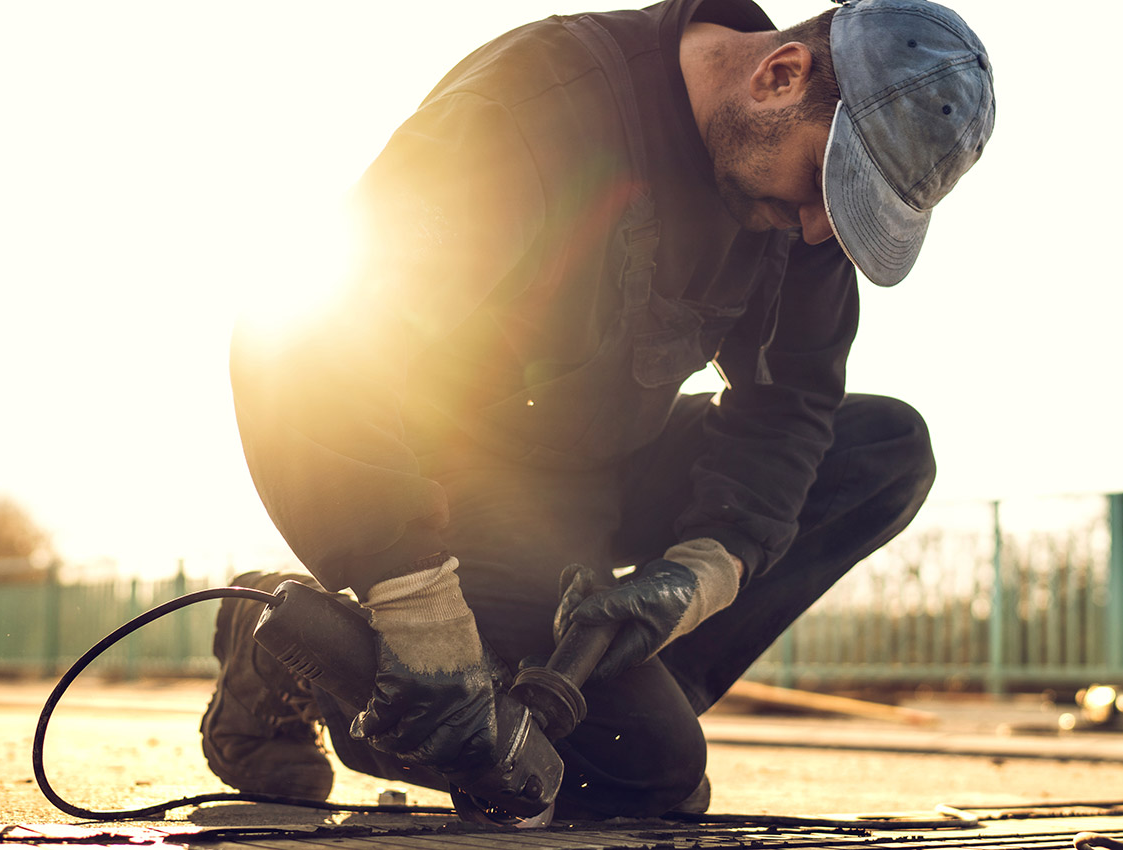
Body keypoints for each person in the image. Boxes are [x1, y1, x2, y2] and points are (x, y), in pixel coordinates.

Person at [208, 0, 995, 819]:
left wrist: (708, 569)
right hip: (466, 480)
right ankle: (290, 650)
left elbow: (791, 401)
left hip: (608, 451)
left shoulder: (799, 213)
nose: (814, 227)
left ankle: (633, 689)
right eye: (824, 187)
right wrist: (407, 592)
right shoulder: (535, 109)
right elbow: (300, 343)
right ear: (780, 76)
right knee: (640, 777)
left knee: (884, 450)